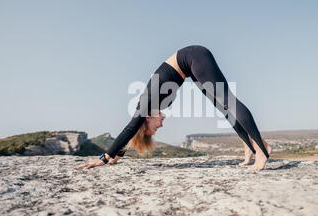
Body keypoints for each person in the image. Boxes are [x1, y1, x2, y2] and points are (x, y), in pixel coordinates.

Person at [77, 45, 272, 172]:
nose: (160, 126)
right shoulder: (149, 108)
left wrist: (103, 158)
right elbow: (131, 135)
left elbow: (130, 129)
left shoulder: (146, 104)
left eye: (154, 129)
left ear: (146, 122)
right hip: (190, 67)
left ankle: (262, 150)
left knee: (227, 100)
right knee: (222, 106)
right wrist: (117, 155)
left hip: (195, 56)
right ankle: (249, 144)